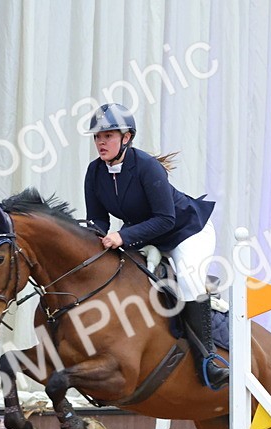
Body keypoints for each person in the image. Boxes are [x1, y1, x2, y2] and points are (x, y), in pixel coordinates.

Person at [82, 102, 228, 390]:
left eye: (108, 135)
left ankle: (208, 360)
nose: (101, 142)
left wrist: (122, 237)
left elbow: (165, 218)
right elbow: (97, 219)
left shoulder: (147, 167)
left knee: (186, 280)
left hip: (186, 231)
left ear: (127, 138)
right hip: (147, 235)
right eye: (98, 137)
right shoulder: (95, 172)